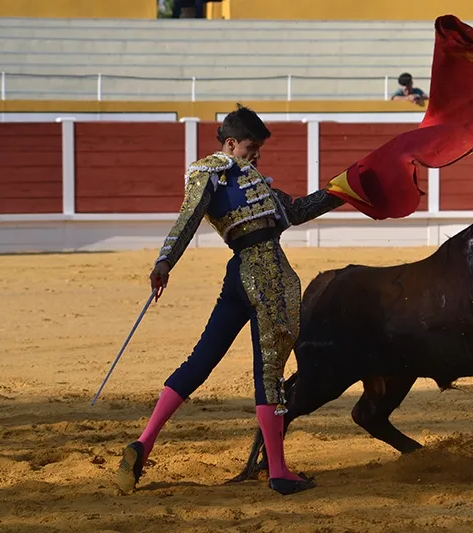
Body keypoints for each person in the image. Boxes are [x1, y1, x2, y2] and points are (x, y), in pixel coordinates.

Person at [116, 104, 344, 496]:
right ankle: (278, 472)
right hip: (265, 275)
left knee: (202, 359)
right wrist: (165, 260)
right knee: (269, 371)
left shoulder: (253, 181)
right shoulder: (212, 173)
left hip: (238, 275)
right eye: (251, 147)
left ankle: (145, 441)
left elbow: (299, 210)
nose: (256, 155)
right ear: (231, 142)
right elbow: (188, 217)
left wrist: (344, 190)